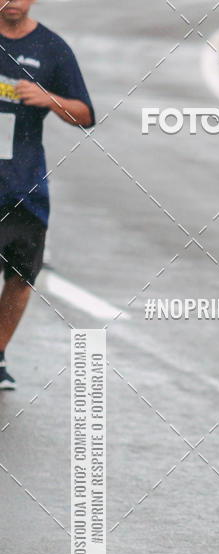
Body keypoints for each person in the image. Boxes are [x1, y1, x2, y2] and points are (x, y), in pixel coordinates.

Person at [0, 0, 94, 389]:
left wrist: (48, 99)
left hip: (24, 186)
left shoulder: (52, 48)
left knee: (21, 276)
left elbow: (85, 114)